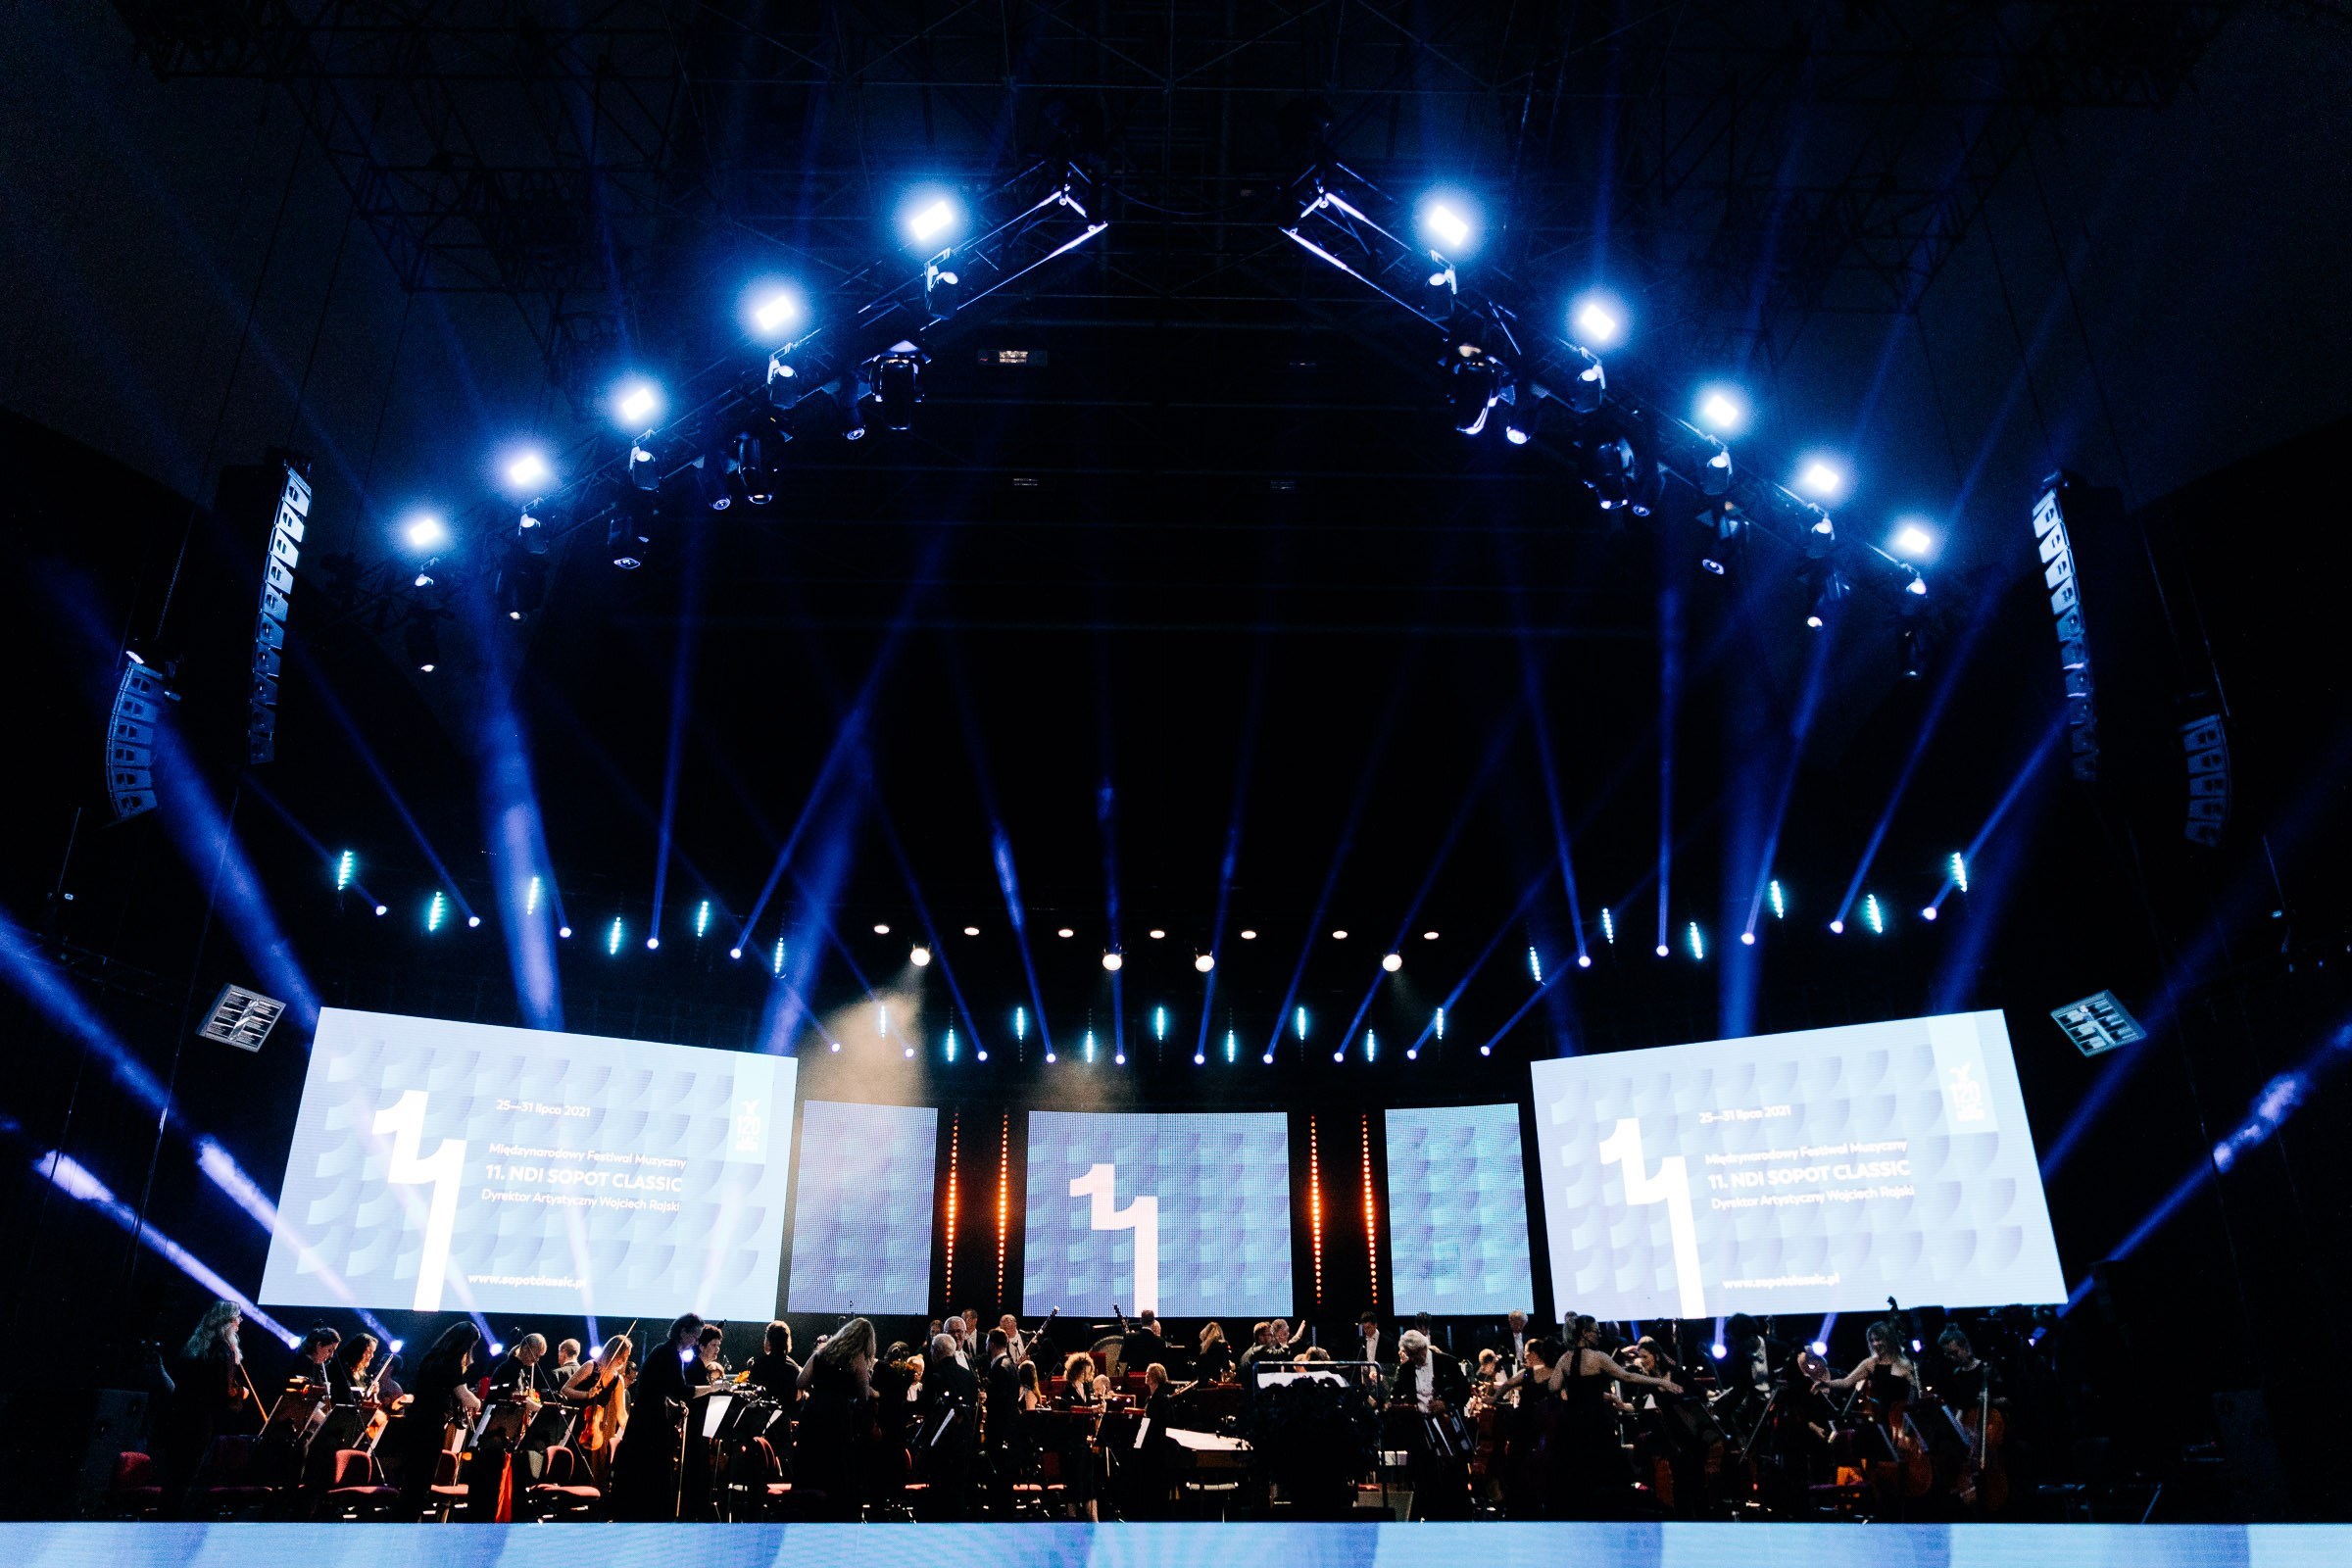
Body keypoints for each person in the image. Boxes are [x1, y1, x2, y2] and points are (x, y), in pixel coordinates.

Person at [1507, 1317, 1682, 1519]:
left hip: (1571, 1430)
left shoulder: (1565, 1359)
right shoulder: (1598, 1358)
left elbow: (1553, 1387)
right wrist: (1661, 1381)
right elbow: (1628, 1377)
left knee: (1577, 1483)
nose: (1598, 1335)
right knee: (1607, 1480)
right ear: (1584, 1333)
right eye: (1595, 1331)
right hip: (1597, 1427)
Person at [159, 1300, 251, 1516]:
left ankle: (163, 1520)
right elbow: (222, 1390)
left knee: (173, 1475)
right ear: (227, 1322)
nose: (240, 1321)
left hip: (178, 1415)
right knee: (189, 1475)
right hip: (199, 1419)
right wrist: (240, 1393)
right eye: (237, 1317)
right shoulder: (222, 1350)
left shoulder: (197, 1345)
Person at [610, 1312, 702, 1519]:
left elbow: (661, 1389)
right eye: (694, 1337)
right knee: (651, 1473)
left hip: (647, 1419)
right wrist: (712, 1388)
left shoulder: (663, 1351)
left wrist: (674, 1404)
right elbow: (681, 1389)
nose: (696, 1342)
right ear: (683, 1332)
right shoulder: (669, 1354)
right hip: (651, 1425)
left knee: (643, 1473)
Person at [394, 1320, 482, 1519]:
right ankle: (408, 1522)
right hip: (430, 1426)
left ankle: (402, 1520)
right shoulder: (450, 1362)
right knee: (421, 1481)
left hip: (415, 1422)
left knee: (410, 1480)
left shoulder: (431, 1357)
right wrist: (477, 1402)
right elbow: (463, 1394)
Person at [794, 1317, 878, 1520]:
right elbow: (864, 1395)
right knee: (834, 1465)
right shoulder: (856, 1357)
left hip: (813, 1413)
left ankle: (806, 1510)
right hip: (837, 1416)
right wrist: (876, 1394)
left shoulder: (821, 1353)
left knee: (811, 1462)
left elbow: (801, 1381)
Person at [1388, 1329, 1473, 1519]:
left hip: (1448, 1428)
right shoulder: (1406, 1369)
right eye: (1410, 1355)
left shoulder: (1448, 1362)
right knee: (1424, 1477)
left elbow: (1464, 1392)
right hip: (1419, 1430)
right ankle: (1428, 1514)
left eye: (1416, 1354)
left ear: (1423, 1349)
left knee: (1453, 1475)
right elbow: (1394, 1395)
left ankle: (1458, 1516)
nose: (1414, 1359)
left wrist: (1446, 1404)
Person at [919, 1331, 981, 1518]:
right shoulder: (969, 1377)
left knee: (940, 1492)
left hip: (941, 1444)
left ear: (936, 1351)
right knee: (958, 1491)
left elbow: (927, 1408)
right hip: (964, 1443)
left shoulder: (934, 1376)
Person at [564, 1334, 633, 1490]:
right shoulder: (590, 1367)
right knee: (576, 1469)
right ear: (615, 1352)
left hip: (599, 1432)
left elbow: (621, 1414)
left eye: (626, 1357)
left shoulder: (618, 1380)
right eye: (623, 1356)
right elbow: (565, 1389)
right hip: (580, 1425)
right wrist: (586, 1394)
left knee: (597, 1474)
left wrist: (632, 1433)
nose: (623, 1360)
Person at [1827, 1320, 1922, 1403]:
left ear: (1888, 1339)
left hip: (1902, 1414)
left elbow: (1917, 1391)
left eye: (1878, 1339)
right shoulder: (1870, 1363)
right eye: (1871, 1340)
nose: (1875, 1344)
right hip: (1882, 1416)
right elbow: (1845, 1382)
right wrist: (1826, 1383)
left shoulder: (1905, 1363)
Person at [748, 1320, 802, 1407]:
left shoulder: (760, 1364)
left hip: (763, 1417)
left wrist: (751, 1369)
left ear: (768, 1340)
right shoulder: (793, 1367)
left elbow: (753, 1392)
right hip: (785, 1416)